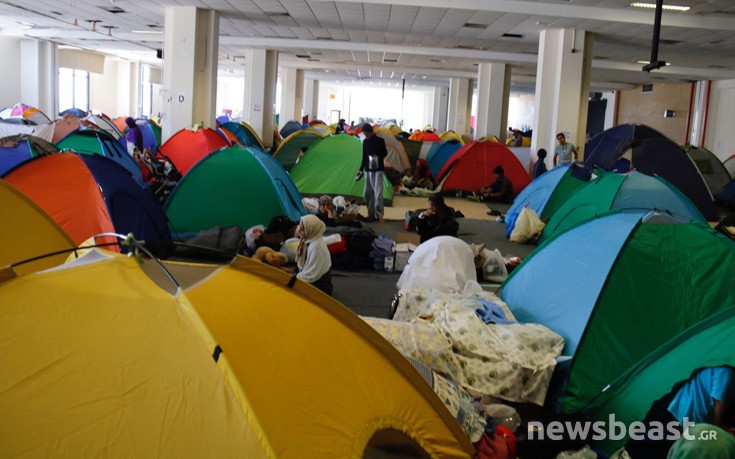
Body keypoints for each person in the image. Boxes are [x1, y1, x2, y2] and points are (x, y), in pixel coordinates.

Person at [626, 366, 735, 459]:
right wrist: (723, 433)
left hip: (680, 410)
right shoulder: (726, 373)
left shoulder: (716, 370)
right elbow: (718, 414)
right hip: (683, 414)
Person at [356, 123, 388, 223]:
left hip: (378, 170)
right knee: (367, 193)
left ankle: (379, 215)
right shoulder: (365, 142)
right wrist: (360, 169)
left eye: (366, 134)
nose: (365, 136)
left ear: (370, 132)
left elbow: (385, 153)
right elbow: (364, 157)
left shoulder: (380, 141)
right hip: (368, 170)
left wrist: (378, 156)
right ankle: (371, 214)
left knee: (378, 193)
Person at [294, 214, 333, 295]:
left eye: (303, 229)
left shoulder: (316, 247)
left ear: (311, 229)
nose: (299, 231)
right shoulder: (310, 241)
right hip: (314, 281)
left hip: (320, 287)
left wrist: (293, 278)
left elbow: (310, 275)